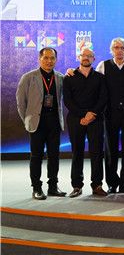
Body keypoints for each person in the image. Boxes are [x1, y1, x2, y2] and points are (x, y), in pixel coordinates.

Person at [16, 47, 66, 200]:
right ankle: (36, 188)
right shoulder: (28, 77)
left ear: (56, 60)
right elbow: (21, 103)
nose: (49, 61)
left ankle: (53, 187)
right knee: (36, 156)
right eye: (46, 58)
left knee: (54, 156)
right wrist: (27, 119)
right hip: (37, 122)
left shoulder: (60, 78)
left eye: (52, 58)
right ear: (39, 59)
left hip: (54, 122)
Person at [97, 37, 124, 194]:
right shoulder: (103, 65)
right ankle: (112, 183)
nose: (119, 50)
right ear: (112, 50)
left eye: (122, 47)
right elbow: (94, 83)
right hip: (110, 113)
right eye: (116, 47)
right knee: (110, 150)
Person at [63, 48, 108, 198]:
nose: (86, 58)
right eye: (83, 55)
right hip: (76, 119)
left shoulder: (100, 78)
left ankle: (97, 185)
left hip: (95, 119)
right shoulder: (69, 77)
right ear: (79, 57)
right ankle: (77, 186)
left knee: (97, 153)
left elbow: (103, 98)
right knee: (77, 152)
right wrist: (83, 115)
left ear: (94, 59)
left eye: (89, 56)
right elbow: (68, 101)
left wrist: (92, 114)